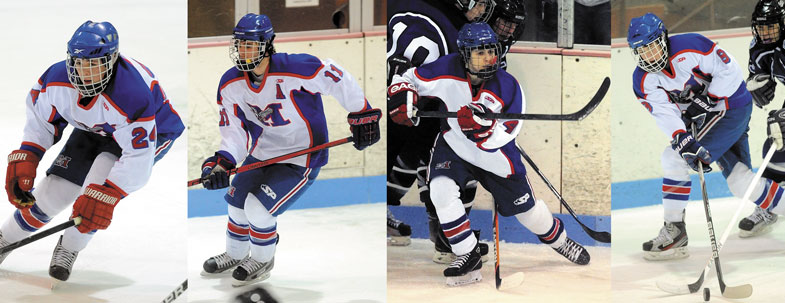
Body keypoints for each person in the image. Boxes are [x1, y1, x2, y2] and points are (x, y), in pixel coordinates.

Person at [389, 22, 590, 286]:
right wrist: (404, 96)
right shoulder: (445, 69)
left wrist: (484, 129)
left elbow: (510, 130)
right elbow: (408, 77)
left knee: (528, 213)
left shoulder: (507, 85)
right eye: (480, 53)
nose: (489, 58)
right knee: (439, 190)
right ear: (464, 55)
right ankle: (467, 254)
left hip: (495, 156)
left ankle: (561, 241)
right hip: (454, 146)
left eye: (491, 51)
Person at [199, 13, 381, 286]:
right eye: (239, 44)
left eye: (250, 44)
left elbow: (334, 75)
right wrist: (222, 163)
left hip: (302, 155)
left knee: (257, 209)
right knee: (236, 204)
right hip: (262, 153)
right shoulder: (230, 84)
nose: (243, 51)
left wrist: (362, 112)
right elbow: (234, 132)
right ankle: (235, 254)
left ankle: (262, 259)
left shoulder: (295, 68)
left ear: (267, 45)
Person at [0, 20, 185, 281]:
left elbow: (137, 157)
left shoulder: (132, 94)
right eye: (80, 63)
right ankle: (3, 240)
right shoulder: (55, 80)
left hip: (148, 133)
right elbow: (41, 121)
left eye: (94, 64)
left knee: (94, 197)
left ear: (111, 61)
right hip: (95, 128)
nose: (85, 72)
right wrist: (29, 154)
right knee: (54, 193)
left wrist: (110, 192)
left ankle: (69, 247)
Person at [627, 12, 785, 261]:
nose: (649, 56)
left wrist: (708, 102)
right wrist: (681, 137)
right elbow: (664, 113)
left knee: (673, 159)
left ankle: (675, 230)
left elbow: (730, 71)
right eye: (642, 51)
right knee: (739, 181)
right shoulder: (642, 80)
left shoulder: (692, 46)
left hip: (731, 107)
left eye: (652, 47)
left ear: (663, 39)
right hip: (708, 118)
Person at [386, 0, 494, 262]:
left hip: (396, 99)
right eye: (478, 3)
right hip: (416, 106)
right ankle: (448, 238)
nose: (483, 11)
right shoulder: (454, 31)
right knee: (450, 156)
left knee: (410, 156)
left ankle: (446, 235)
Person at [746, 0, 785, 245]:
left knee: (783, 139)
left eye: (771, 27)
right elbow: (759, 73)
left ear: (784, 23)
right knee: (776, 146)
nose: (766, 32)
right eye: (761, 27)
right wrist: (755, 85)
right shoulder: (758, 47)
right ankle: (772, 206)